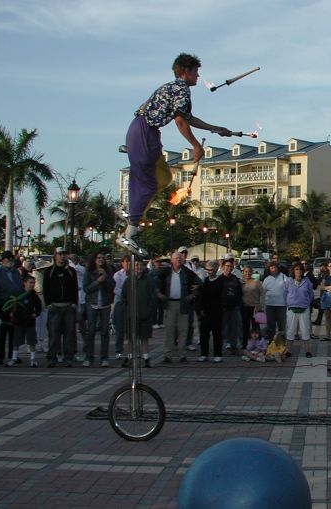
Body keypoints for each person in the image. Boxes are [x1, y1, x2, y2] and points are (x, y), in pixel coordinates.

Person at [120, 53, 232, 254]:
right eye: (195, 72)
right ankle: (130, 230)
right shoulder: (181, 89)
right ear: (185, 71)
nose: (198, 76)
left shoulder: (171, 88)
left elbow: (187, 118)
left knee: (163, 176)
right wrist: (196, 146)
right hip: (145, 133)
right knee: (151, 181)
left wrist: (215, 128)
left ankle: (131, 217)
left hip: (141, 132)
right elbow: (180, 122)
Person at [157, 251, 201, 363]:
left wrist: (193, 294)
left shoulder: (187, 272)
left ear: (183, 260)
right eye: (176, 258)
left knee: (183, 330)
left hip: (183, 304)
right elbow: (154, 282)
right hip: (169, 304)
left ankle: (182, 354)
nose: (178, 260)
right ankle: (168, 355)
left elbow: (199, 283)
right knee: (169, 330)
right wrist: (159, 294)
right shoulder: (165, 272)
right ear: (171, 260)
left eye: (180, 258)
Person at [43, 248, 79, 367]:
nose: (62, 256)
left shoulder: (71, 271)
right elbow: (45, 288)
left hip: (68, 306)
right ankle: (51, 358)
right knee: (54, 334)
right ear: (55, 256)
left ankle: (68, 358)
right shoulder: (49, 271)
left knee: (69, 334)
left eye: (64, 254)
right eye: (60, 254)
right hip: (55, 307)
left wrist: (74, 303)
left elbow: (75, 288)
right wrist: (48, 303)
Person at [121, 258, 158, 368]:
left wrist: (149, 310)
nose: (138, 268)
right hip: (131, 314)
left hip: (144, 314)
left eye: (141, 265)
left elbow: (153, 297)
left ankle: (146, 358)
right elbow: (123, 297)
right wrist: (126, 310)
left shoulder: (149, 281)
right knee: (131, 338)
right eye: (136, 265)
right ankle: (130, 357)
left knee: (144, 337)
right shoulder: (128, 281)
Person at [82, 253, 115, 367]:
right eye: (98, 258)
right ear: (94, 260)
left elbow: (112, 286)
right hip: (92, 304)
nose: (101, 260)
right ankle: (89, 358)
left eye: (102, 258)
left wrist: (105, 278)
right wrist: (98, 281)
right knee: (91, 331)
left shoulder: (108, 271)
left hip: (105, 304)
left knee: (105, 332)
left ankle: (104, 358)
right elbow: (86, 288)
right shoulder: (89, 272)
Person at [0, 250, 22, 364]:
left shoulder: (16, 272)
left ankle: (12, 355)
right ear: (3, 260)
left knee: (14, 333)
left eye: (11, 258)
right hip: (3, 305)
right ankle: (0, 356)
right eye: (8, 259)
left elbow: (20, 286)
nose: (10, 261)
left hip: (15, 305)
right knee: (3, 333)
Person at [6, 275, 42, 368]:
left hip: (30, 321)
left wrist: (36, 313)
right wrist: (12, 313)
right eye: (30, 282)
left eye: (33, 283)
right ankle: (14, 358)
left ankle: (33, 359)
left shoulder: (34, 295)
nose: (32, 285)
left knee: (31, 341)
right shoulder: (19, 294)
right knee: (16, 341)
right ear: (25, 283)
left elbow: (39, 307)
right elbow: (12, 304)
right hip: (19, 321)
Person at [285, 262, 315, 358]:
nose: (298, 271)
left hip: (304, 309)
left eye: (300, 269)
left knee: (305, 330)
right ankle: (288, 351)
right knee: (290, 330)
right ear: (293, 271)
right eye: (296, 269)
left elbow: (311, 294)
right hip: (291, 309)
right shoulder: (289, 281)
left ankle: (307, 351)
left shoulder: (307, 281)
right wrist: (289, 303)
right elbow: (284, 293)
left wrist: (305, 303)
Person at [199, 260, 223, 362]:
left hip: (217, 312)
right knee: (204, 333)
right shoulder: (205, 281)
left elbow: (222, 297)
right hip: (206, 312)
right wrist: (201, 309)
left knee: (217, 334)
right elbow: (202, 296)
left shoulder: (220, 281)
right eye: (207, 269)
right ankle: (204, 353)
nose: (209, 271)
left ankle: (218, 354)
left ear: (215, 269)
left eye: (211, 269)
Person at [220, 258, 243, 354]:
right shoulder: (219, 279)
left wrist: (238, 304)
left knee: (234, 328)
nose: (229, 268)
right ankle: (220, 347)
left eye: (230, 266)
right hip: (222, 308)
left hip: (234, 308)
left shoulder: (235, 279)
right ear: (222, 267)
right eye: (227, 266)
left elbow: (239, 293)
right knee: (222, 329)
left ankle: (234, 347)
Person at [262, 261, 288, 340]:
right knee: (270, 326)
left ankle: (282, 344)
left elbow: (289, 290)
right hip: (270, 305)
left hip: (282, 305)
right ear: (269, 269)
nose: (273, 269)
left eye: (275, 267)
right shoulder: (267, 279)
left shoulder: (284, 277)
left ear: (278, 268)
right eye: (271, 268)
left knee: (281, 326)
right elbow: (263, 292)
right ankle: (271, 343)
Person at [241, 265, 265, 349]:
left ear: (252, 272)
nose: (247, 273)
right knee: (245, 327)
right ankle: (245, 345)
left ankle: (259, 345)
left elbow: (262, 293)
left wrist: (260, 305)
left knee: (256, 328)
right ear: (243, 272)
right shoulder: (241, 282)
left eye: (249, 271)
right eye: (246, 272)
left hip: (255, 308)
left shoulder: (256, 282)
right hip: (244, 308)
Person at [112, 256, 130, 360]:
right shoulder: (118, 275)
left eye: (128, 261)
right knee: (120, 329)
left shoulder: (134, 274)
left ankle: (130, 351)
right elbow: (116, 289)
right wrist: (126, 295)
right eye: (125, 261)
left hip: (131, 304)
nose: (127, 263)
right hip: (120, 303)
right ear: (122, 263)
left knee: (131, 330)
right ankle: (118, 351)